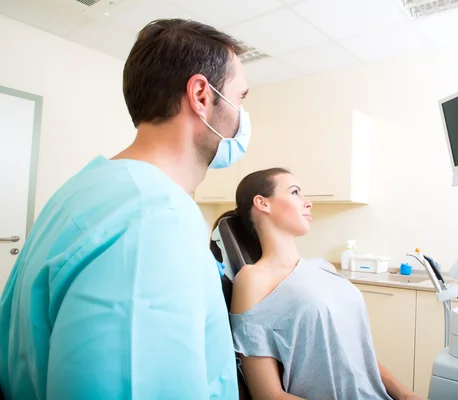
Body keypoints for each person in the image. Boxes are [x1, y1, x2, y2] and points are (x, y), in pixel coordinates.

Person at [0, 19, 249, 400]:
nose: (243, 117)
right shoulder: (154, 218)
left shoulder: (84, 189)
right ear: (202, 95)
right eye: (241, 98)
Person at [212, 168, 422, 400]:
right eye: (295, 192)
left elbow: (357, 353)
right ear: (263, 203)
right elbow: (267, 394)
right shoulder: (253, 279)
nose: (308, 202)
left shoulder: (324, 267)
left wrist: (404, 394)